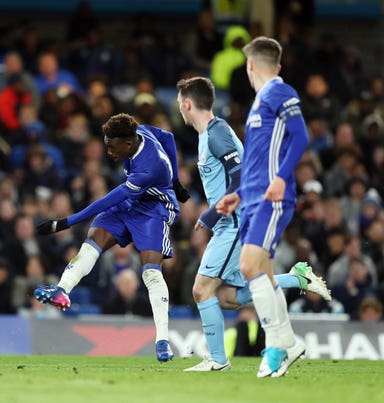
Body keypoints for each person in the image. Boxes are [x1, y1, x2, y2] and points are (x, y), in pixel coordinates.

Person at [177, 77, 331, 372]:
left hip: (233, 223)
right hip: (232, 222)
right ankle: (297, 279)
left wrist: (211, 214)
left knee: (201, 289)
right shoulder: (209, 134)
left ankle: (218, 360)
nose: (180, 111)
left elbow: (239, 175)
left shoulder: (216, 132)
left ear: (187, 104)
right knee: (227, 297)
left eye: (180, 106)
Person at [34, 112, 190, 362]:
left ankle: (162, 340)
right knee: (93, 240)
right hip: (131, 203)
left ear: (128, 144)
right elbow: (168, 136)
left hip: (155, 210)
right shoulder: (138, 131)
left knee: (150, 271)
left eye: (112, 146)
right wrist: (175, 180)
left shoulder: (149, 168)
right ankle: (62, 290)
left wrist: (65, 222)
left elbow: (108, 200)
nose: (108, 152)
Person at [216, 37, 310, 378]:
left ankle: (274, 347)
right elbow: (257, 161)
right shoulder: (259, 104)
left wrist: (283, 178)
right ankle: (289, 342)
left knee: (248, 265)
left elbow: (301, 137)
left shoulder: (279, 93)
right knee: (265, 274)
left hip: (272, 199)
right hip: (253, 199)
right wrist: (238, 193)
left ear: (250, 66)